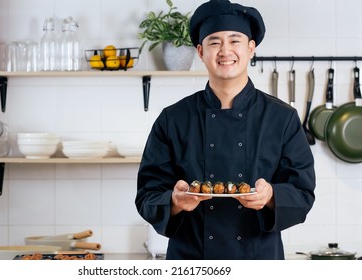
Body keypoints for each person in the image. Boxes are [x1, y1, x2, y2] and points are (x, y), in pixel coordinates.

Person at [135, 0, 316, 260]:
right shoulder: (172, 119)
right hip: (191, 261)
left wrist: (271, 196)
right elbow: (147, 195)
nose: (225, 50)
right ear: (200, 52)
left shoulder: (282, 118)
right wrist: (175, 201)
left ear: (251, 48)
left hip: (258, 262)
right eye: (214, 42)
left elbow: (303, 193)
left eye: (235, 40)